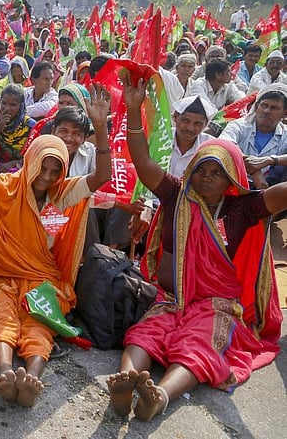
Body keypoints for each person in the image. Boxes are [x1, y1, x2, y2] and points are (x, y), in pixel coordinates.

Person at [108, 75, 284, 422]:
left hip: (216, 304)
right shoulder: (177, 194)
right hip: (170, 296)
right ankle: (125, 379)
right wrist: (132, 108)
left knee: (199, 345)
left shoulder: (242, 208)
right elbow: (143, 163)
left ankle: (160, 395)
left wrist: (274, 162)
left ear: (232, 177)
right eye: (200, 169)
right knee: (145, 333)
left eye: (216, 173)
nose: (206, 177)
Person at [0, 83, 111, 407]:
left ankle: (33, 376)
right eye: (43, 167)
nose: (47, 176)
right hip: (1, 275)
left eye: (56, 170)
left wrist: (100, 127)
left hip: (43, 278)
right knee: (2, 314)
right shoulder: (6, 185)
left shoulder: (62, 193)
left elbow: (103, 175)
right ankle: (7, 371)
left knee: (40, 322)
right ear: (31, 161)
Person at [220, 84, 287, 188]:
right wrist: (255, 172)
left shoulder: (285, 134)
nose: (267, 111)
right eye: (264, 105)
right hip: (234, 186)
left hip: (271, 192)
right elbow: (223, 145)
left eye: (274, 108)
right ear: (256, 107)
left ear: (284, 113)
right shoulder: (239, 126)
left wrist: (271, 160)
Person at [0, 84, 36, 172]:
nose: (7, 108)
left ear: (21, 106)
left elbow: (34, 157)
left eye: (13, 105)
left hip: (19, 171)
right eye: (4, 103)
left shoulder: (30, 126)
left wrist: (13, 163)